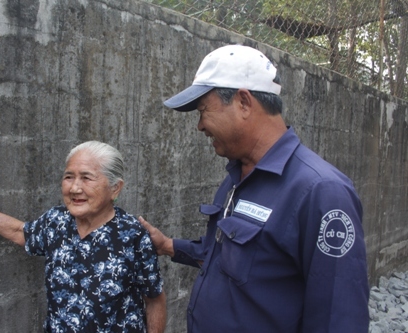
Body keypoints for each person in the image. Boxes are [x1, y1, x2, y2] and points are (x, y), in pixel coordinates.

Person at [138, 44, 369, 332]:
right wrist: (169, 246)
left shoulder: (321, 192)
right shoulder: (239, 175)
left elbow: (338, 318)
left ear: (244, 102)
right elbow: (227, 254)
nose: (199, 126)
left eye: (203, 110)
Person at [0, 141, 166, 333]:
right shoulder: (57, 220)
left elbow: (154, 298)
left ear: (115, 189)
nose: (75, 188)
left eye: (87, 178)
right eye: (69, 177)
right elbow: (21, 232)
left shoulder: (133, 235)